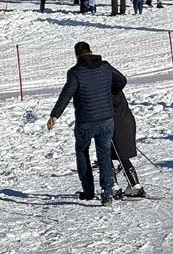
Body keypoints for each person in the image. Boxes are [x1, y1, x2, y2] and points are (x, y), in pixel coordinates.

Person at [47, 42, 126, 206]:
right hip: (106, 119)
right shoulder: (105, 67)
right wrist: (109, 91)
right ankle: (107, 193)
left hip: (85, 121)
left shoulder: (75, 72)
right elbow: (122, 80)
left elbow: (66, 94)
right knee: (104, 155)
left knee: (82, 152)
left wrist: (55, 115)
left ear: (77, 54)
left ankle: (88, 191)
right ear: (91, 51)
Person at [111, 84, 144, 197]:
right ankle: (135, 185)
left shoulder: (104, 90)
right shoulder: (116, 87)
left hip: (114, 125)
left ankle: (112, 186)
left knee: (105, 154)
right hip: (127, 122)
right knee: (122, 155)